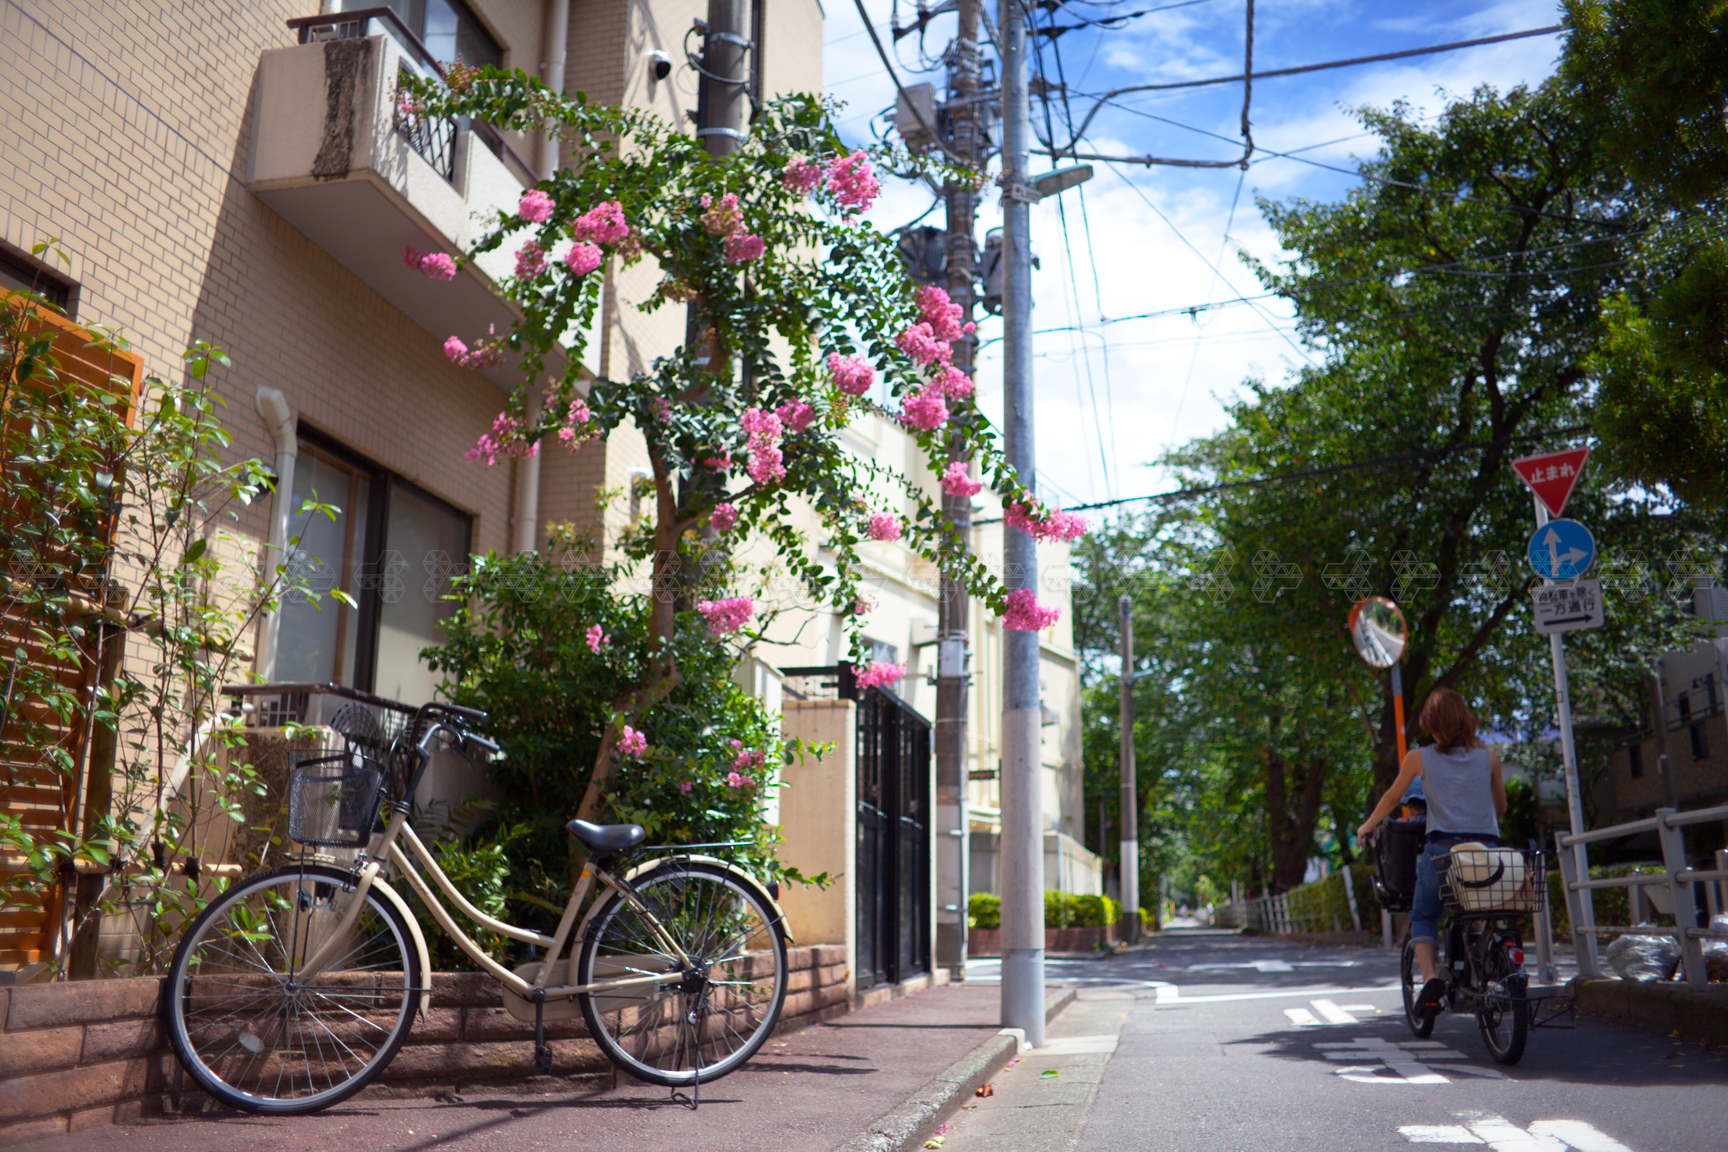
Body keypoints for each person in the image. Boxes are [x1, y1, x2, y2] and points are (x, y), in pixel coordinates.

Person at [1357, 687, 1505, 1013]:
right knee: (1481, 909)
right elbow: (1501, 808)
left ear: (1431, 724)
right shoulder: (1490, 759)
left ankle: (1429, 978)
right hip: (1487, 853)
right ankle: (1492, 962)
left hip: (1443, 853)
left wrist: (1368, 825)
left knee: (1423, 916)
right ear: (1467, 721)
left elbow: (1393, 798)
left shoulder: (1419, 757)